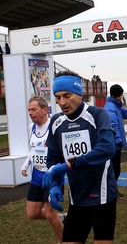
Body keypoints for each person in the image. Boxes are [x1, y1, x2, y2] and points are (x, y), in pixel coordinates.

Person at [42, 70, 118, 243]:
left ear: (79, 93)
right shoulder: (56, 122)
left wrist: (70, 165)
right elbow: (52, 160)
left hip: (103, 196)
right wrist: (54, 186)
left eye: (67, 96)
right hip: (77, 198)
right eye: (58, 97)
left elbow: (107, 148)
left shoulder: (98, 114)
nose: (62, 102)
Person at [20, 96, 63, 243]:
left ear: (45, 110)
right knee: (32, 213)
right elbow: (34, 149)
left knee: (51, 214)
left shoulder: (54, 126)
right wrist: (26, 165)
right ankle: (61, 217)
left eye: (34, 110)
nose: (30, 113)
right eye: (29, 110)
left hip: (52, 175)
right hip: (37, 175)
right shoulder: (31, 128)